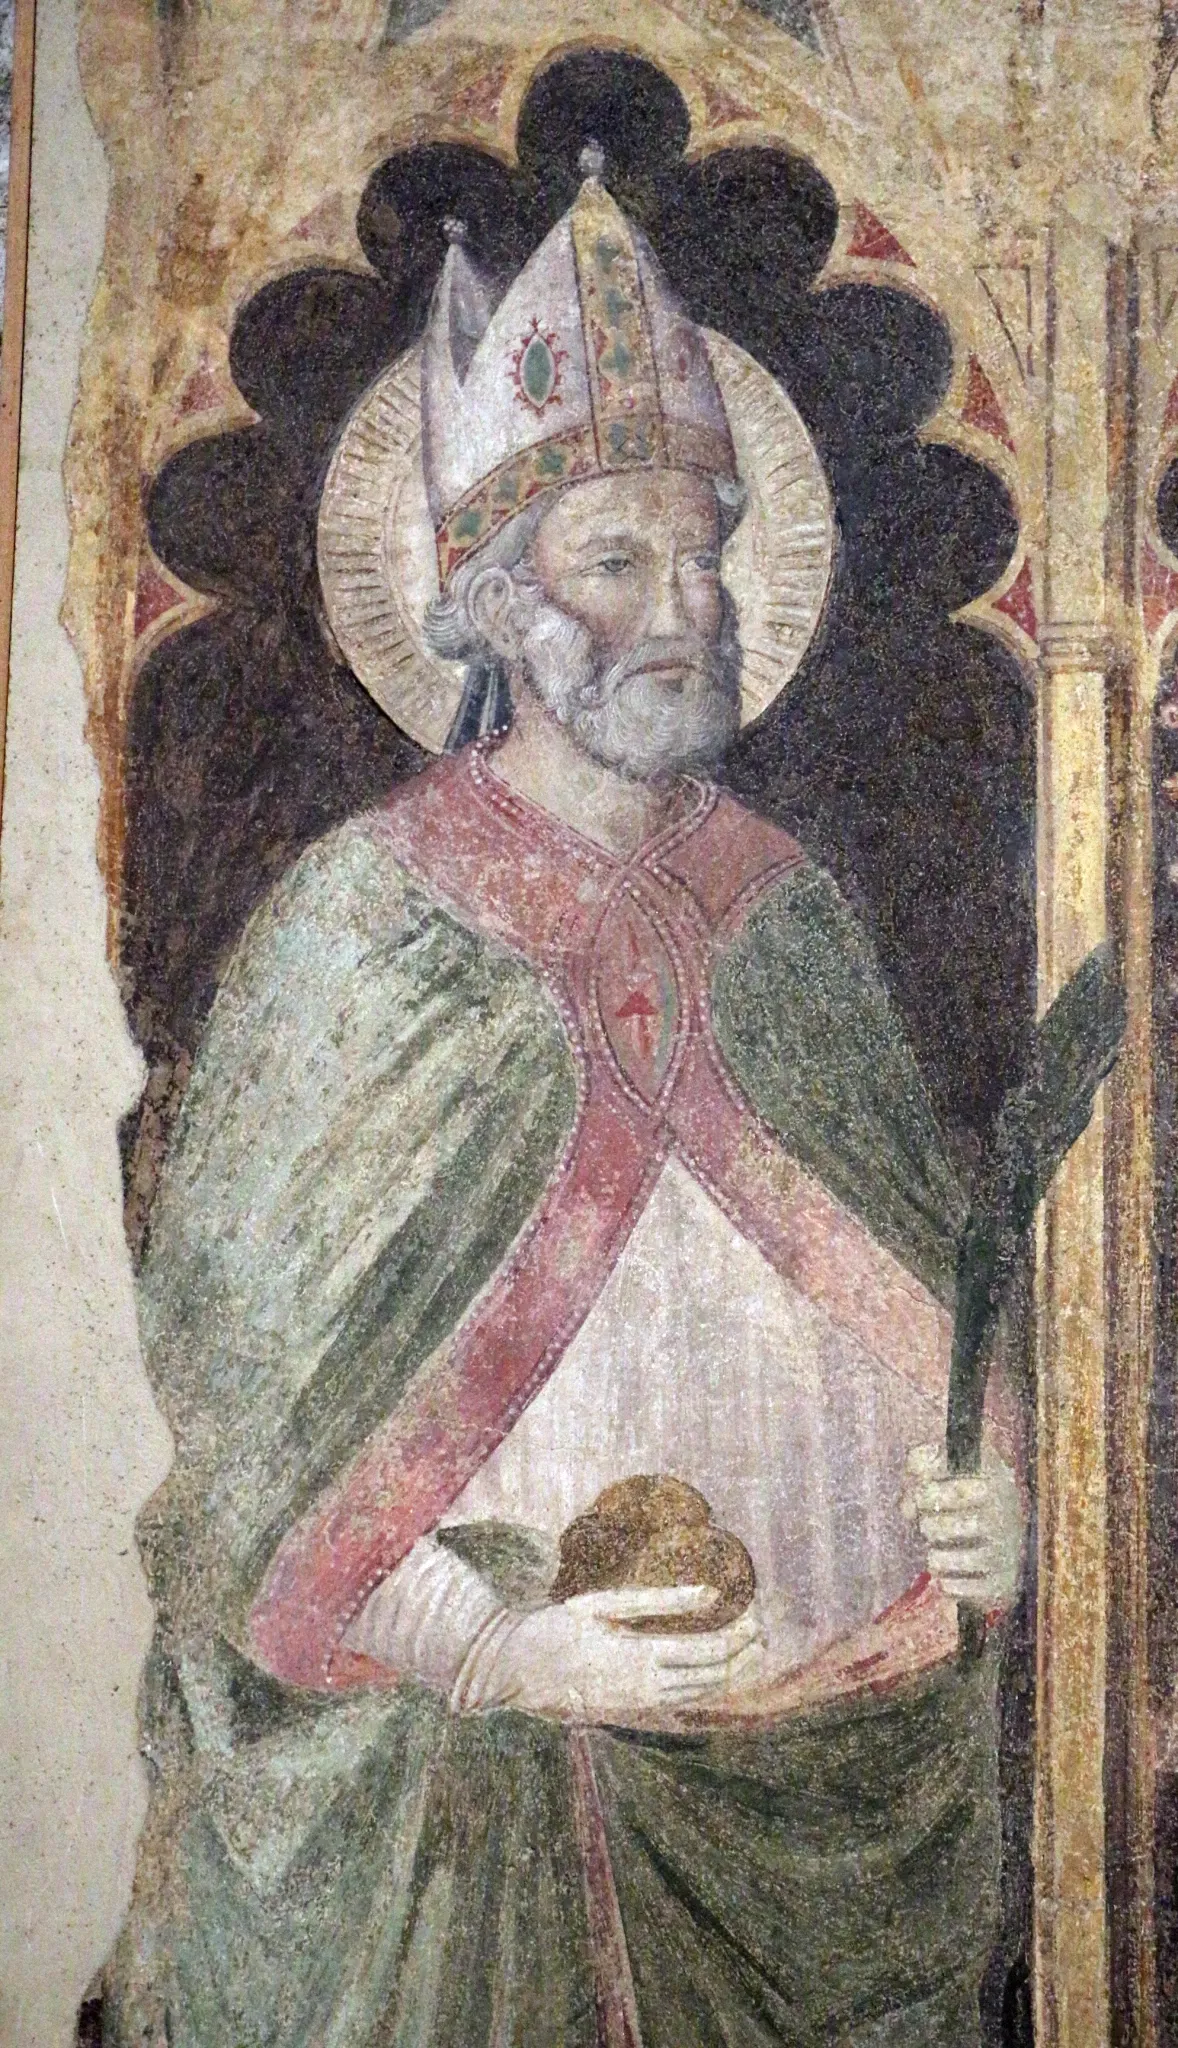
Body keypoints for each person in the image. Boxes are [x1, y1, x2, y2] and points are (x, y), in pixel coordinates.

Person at [106, 155, 1024, 2047]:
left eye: (702, 556)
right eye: (617, 562)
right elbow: (246, 1440)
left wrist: (989, 1515)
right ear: (492, 601)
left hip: (801, 1782)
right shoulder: (357, 931)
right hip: (447, 1814)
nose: (685, 606)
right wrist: (490, 1646)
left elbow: (937, 1335)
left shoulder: (789, 920)